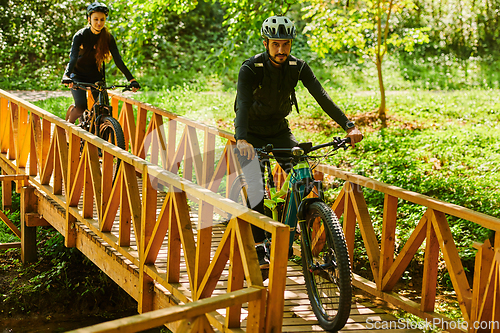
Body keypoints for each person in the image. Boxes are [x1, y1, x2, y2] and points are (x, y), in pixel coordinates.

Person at [234, 15, 364, 271]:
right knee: (256, 186)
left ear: (291, 44)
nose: (280, 50)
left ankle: (287, 221)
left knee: (304, 179)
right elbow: (243, 106)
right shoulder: (251, 69)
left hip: (279, 130)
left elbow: (322, 96)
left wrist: (349, 125)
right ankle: (260, 246)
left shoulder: (298, 67)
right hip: (251, 133)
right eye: (275, 44)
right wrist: (241, 138)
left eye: (285, 44)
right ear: (265, 43)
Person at [62, 2, 140, 123]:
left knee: (104, 110)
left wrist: (132, 80)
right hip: (77, 76)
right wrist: (67, 76)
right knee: (81, 107)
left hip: (96, 77)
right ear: (89, 19)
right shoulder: (80, 35)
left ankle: (101, 134)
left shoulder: (108, 37)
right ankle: (67, 128)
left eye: (102, 19)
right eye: (96, 19)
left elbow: (118, 60)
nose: (99, 23)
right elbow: (72, 58)